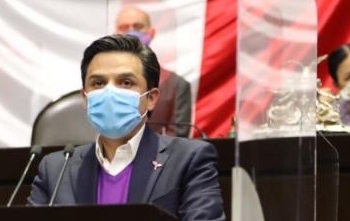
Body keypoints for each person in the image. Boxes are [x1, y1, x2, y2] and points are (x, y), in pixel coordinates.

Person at [27, 34, 225, 221]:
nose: (110, 92)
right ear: (85, 98)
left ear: (151, 98)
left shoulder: (189, 159)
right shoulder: (55, 169)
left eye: (126, 82)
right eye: (98, 83)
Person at [114, 6, 194, 137]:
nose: (131, 32)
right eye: (124, 27)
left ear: (151, 33)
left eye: (138, 26)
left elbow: (177, 143)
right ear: (115, 34)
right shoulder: (102, 83)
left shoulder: (176, 85)